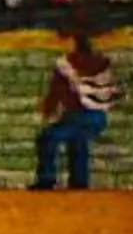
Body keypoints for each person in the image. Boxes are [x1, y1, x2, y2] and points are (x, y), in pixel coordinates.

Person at [33, 23, 119, 189]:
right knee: (78, 141)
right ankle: (79, 182)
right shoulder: (102, 62)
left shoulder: (66, 65)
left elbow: (55, 93)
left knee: (48, 138)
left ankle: (47, 178)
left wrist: (47, 111)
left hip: (77, 115)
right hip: (99, 117)